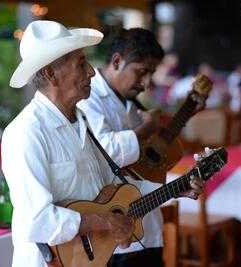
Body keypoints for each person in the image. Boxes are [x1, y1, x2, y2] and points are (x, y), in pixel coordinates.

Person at [2, 20, 205, 267]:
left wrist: (176, 188)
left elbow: (114, 186)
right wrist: (106, 222)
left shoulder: (81, 122)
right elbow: (37, 220)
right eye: (80, 63)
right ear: (50, 74)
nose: (90, 71)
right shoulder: (25, 132)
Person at [77, 28, 206, 267]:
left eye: (151, 74)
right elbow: (108, 154)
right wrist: (145, 129)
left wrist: (187, 111)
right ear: (117, 61)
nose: (146, 84)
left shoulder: (130, 102)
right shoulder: (89, 98)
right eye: (141, 72)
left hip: (148, 221)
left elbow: (151, 158)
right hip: (113, 236)